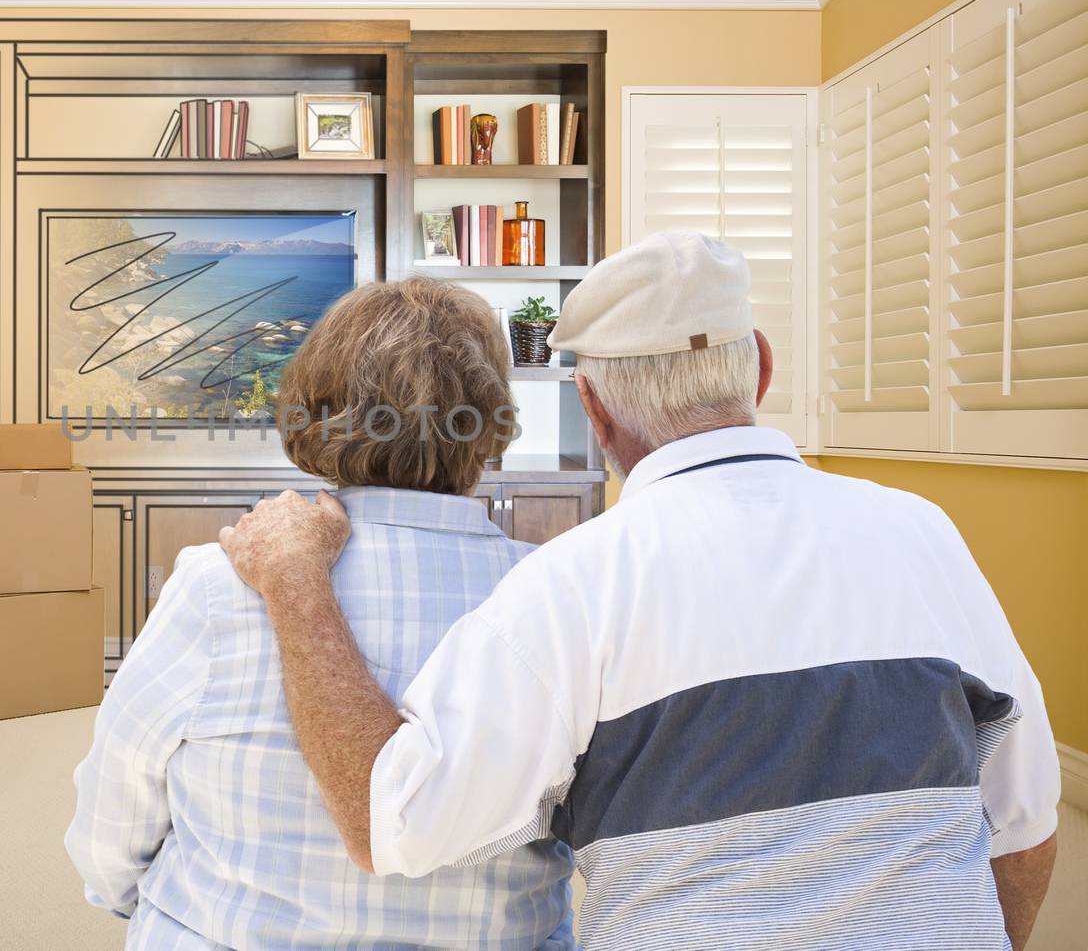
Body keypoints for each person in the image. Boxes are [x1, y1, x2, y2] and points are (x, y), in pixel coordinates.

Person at [218, 232, 1061, 950]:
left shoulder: (572, 583)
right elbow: (1024, 831)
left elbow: (389, 822)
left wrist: (296, 583)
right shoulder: (923, 531)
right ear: (759, 367)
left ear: (593, 405)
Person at [65, 278, 578, 949]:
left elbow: (116, 807)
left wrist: (139, 904)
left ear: (316, 406)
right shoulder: (561, 598)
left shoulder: (221, 582)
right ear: (491, 421)